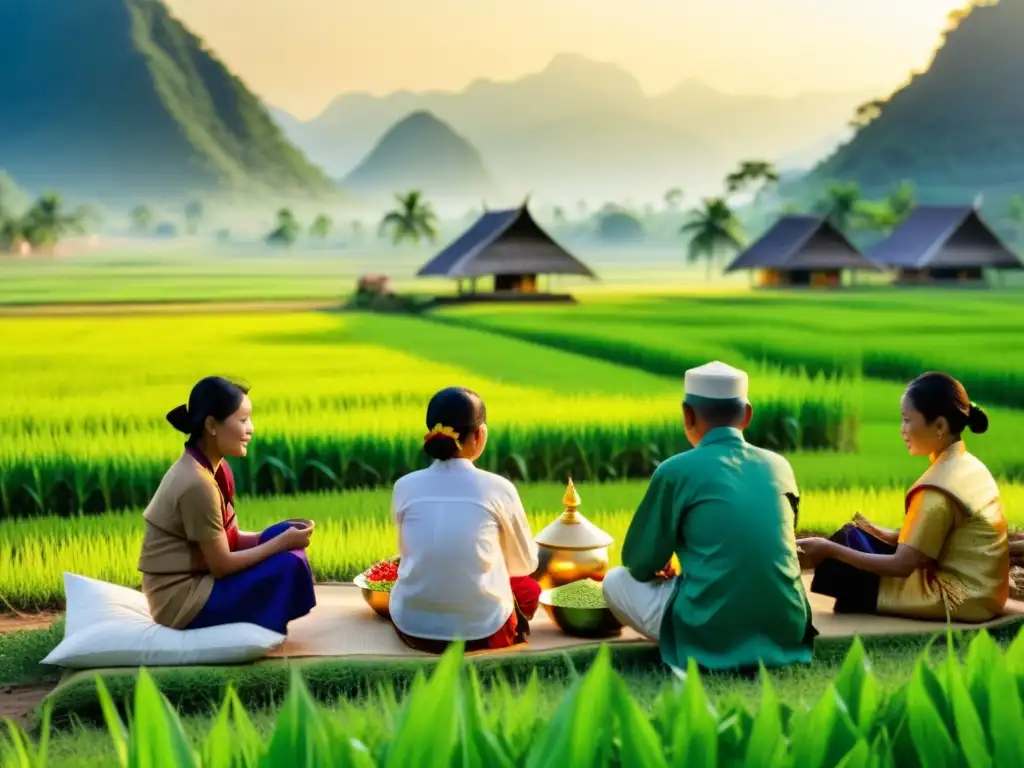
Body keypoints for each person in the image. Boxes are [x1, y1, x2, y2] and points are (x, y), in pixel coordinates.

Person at [602, 361, 816, 673]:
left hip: (709, 628)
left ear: (687, 414)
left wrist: (662, 563)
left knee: (615, 580)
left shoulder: (674, 470)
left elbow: (638, 562)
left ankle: (697, 641)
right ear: (747, 415)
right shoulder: (779, 466)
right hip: (787, 626)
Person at [799, 372, 1008, 622]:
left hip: (959, 597)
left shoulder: (936, 490)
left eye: (907, 420)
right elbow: (948, 533)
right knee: (857, 539)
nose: (902, 430)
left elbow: (902, 566)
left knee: (844, 554)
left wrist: (827, 549)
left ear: (940, 426)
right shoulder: (966, 464)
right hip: (987, 591)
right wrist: (891, 534)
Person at [137, 376, 317, 635]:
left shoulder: (212, 469)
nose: (251, 428)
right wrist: (280, 543)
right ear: (211, 425)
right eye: (243, 420)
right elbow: (221, 565)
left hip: (202, 580)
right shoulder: (196, 484)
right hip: (182, 602)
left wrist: (276, 536)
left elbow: (226, 541)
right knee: (286, 562)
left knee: (281, 537)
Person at [388, 386, 541, 653]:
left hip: (413, 628)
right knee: (528, 589)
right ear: (479, 434)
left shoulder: (404, 486)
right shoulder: (498, 488)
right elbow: (523, 564)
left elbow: (407, 552)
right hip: (483, 633)